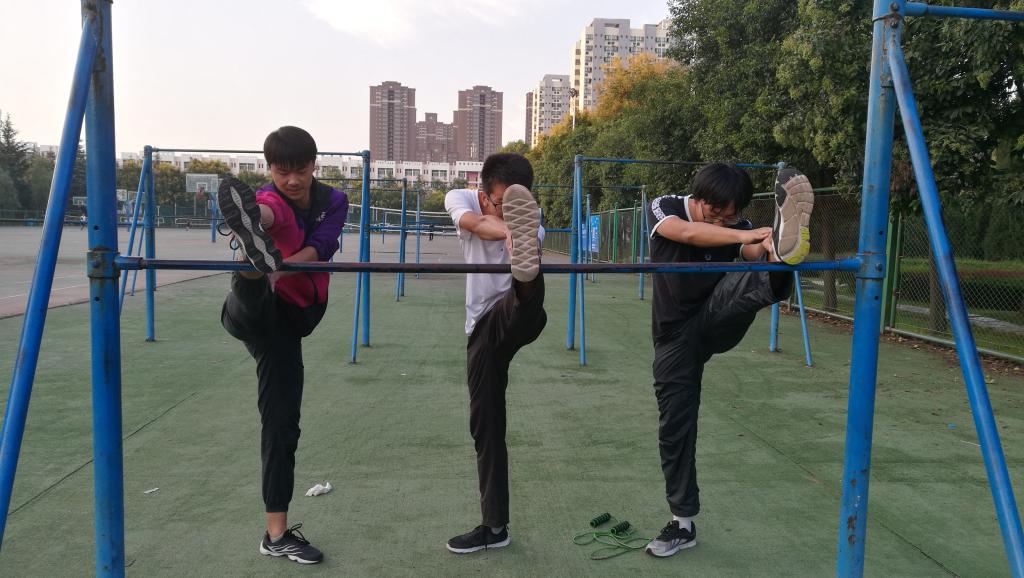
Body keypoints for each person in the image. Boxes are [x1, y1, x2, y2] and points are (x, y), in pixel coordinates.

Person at [643, 164, 814, 557]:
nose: (722, 220)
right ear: (699, 198)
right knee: (675, 427)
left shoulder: (739, 226)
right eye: (714, 212)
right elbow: (685, 233)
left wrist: (764, 243)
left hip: (714, 317)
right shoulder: (665, 206)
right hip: (673, 337)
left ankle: (782, 256)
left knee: (752, 272)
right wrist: (742, 233)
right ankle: (682, 523)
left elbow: (747, 248)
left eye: (731, 215)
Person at [216, 126, 348, 565]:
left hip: (294, 317)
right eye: (282, 171)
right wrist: (259, 224)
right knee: (272, 216)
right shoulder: (269, 197)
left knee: (283, 424)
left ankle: (258, 259)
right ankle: (252, 255)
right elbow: (272, 210)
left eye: (301, 171)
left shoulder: (333, 201)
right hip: (255, 312)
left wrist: (282, 266)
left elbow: (321, 246)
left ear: (314, 165)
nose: (292, 180)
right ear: (270, 168)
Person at [443, 153, 546, 554]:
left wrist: (522, 235)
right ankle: (495, 527)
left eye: (522, 201)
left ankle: (525, 282)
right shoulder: (461, 198)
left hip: (518, 315)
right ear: (484, 195)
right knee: (485, 424)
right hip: (482, 329)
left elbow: (525, 231)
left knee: (525, 293)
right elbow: (475, 224)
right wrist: (508, 229)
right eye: (504, 203)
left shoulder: (531, 222)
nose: (513, 209)